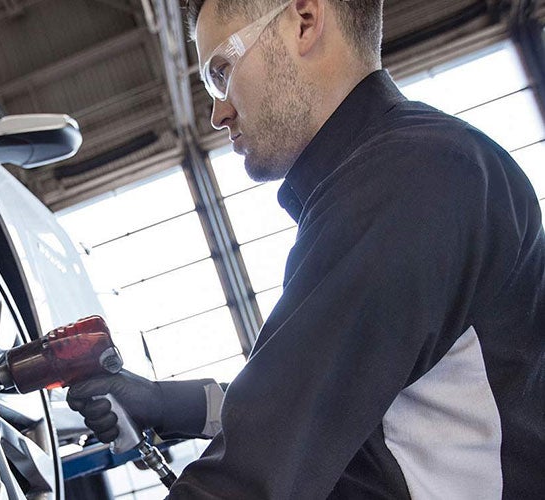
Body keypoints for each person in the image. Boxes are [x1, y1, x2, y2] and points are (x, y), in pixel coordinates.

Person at [66, 0, 545, 497]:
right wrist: (168, 404)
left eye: (221, 72)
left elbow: (254, 474)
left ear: (304, 22)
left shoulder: (411, 178)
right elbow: (338, 404)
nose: (218, 112)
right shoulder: (406, 170)